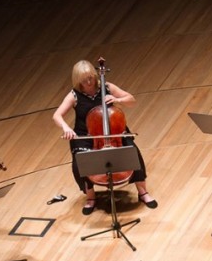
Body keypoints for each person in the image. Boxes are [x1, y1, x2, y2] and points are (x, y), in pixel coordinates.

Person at [52, 60, 158, 215]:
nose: (89, 82)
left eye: (91, 78)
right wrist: (65, 127)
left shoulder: (107, 87)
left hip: (114, 130)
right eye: (84, 79)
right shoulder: (74, 94)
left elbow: (131, 100)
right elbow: (57, 115)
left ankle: (143, 193)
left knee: (132, 153)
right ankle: (91, 198)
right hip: (86, 135)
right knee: (81, 161)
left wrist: (118, 100)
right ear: (77, 80)